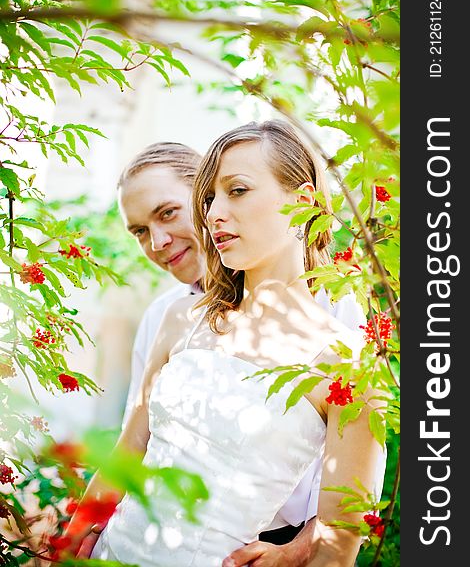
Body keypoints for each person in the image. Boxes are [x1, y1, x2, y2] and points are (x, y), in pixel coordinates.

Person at [67, 120, 385, 566]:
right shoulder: (179, 320)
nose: (213, 213)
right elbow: (128, 451)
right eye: (209, 198)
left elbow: (340, 542)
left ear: (305, 202)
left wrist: (293, 552)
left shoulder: (346, 361)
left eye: (237, 191)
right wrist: (67, 544)